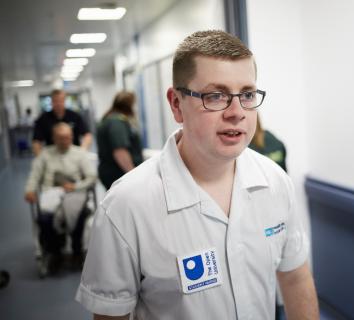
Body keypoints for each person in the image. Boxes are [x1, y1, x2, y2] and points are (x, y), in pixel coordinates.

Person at [76, 30, 319, 320]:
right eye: (216, 96)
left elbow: (294, 278)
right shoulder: (126, 206)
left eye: (247, 94)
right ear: (177, 104)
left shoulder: (275, 181)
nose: (237, 112)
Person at [25, 122, 97, 273]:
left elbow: (91, 177)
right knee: (44, 220)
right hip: (50, 193)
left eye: (69, 137)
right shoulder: (45, 154)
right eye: (61, 138)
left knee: (78, 215)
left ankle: (77, 251)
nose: (66, 140)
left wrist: (76, 187)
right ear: (54, 138)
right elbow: (35, 175)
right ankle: (55, 252)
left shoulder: (79, 154)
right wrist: (30, 190)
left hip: (75, 192)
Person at [96, 91, 143, 190]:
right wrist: (134, 175)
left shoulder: (108, 119)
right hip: (119, 174)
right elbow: (120, 151)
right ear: (129, 106)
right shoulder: (117, 122)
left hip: (112, 172)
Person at [32, 89, 92, 156]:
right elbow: (36, 141)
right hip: (52, 156)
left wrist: (82, 151)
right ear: (51, 102)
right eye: (56, 101)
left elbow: (87, 135)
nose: (58, 104)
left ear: (64, 101)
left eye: (61, 101)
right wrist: (40, 158)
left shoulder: (74, 116)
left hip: (73, 155)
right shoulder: (43, 119)